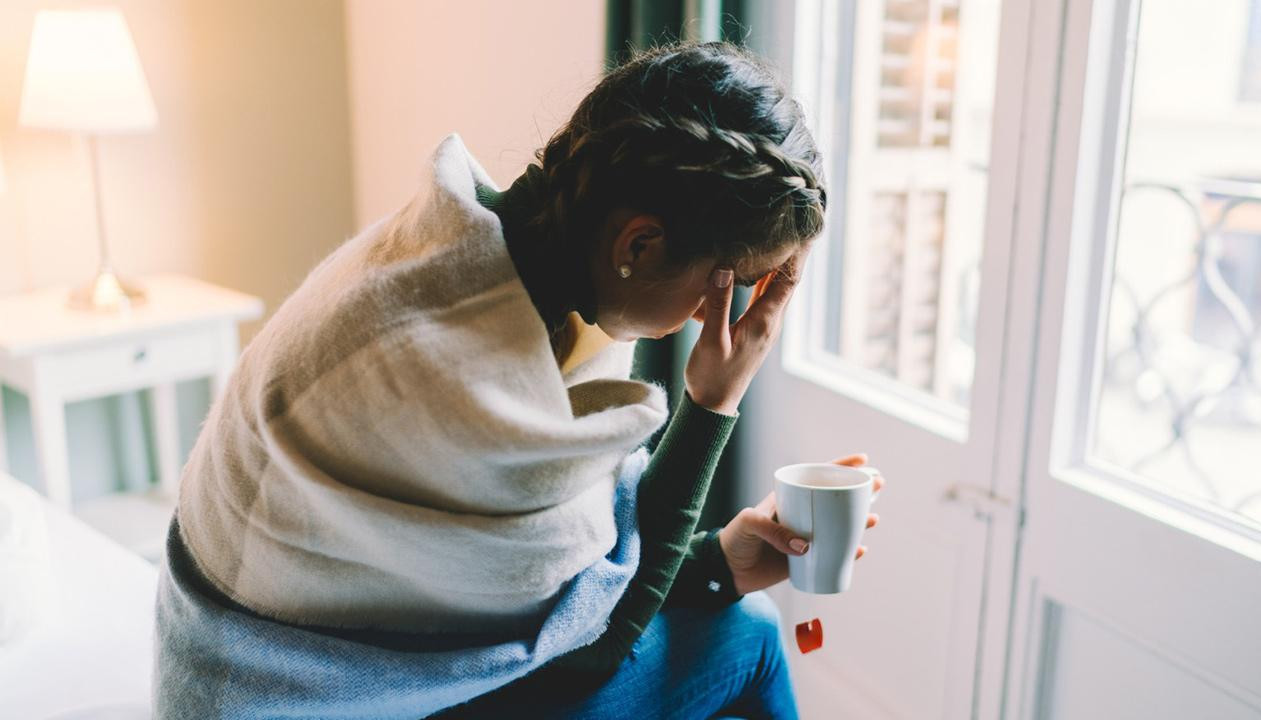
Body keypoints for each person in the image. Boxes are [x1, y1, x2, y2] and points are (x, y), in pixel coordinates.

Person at [153, 40, 882, 720]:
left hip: (234, 664)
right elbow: (588, 651)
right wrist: (713, 402)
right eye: (728, 286)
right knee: (750, 635)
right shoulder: (466, 381)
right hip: (279, 694)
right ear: (640, 242)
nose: (713, 319)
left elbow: (559, 581)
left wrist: (715, 563)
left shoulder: (466, 254)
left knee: (732, 609)